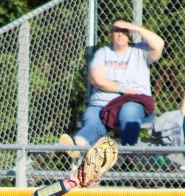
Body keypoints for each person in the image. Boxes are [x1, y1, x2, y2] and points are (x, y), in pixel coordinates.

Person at [58, 20, 164, 149]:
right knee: (92, 122)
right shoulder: (103, 53)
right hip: (101, 103)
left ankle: (128, 156)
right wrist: (123, 89)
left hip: (132, 102)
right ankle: (76, 145)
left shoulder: (140, 51)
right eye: (116, 30)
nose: (120, 34)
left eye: (124, 31)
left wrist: (135, 27)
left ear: (130, 34)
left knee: (128, 113)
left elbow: (159, 44)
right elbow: (97, 80)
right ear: (110, 34)